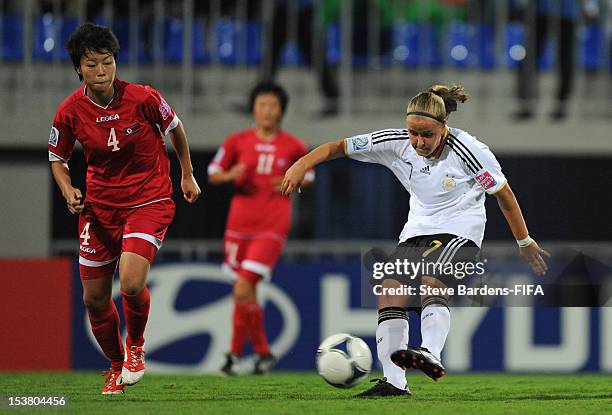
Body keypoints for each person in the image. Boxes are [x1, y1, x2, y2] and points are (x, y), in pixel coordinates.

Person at [281, 84, 550, 397]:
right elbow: (338, 146)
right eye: (414, 133)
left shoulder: (471, 150)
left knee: (430, 282)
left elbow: (503, 195)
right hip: (417, 231)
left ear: (443, 127)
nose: (419, 142)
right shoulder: (395, 142)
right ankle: (394, 382)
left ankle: (431, 352)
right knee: (390, 291)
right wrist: (301, 163)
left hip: (460, 231)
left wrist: (524, 241)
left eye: (427, 135)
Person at [48, 23, 201, 394]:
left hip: (149, 198)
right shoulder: (69, 111)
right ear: (78, 70)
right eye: (92, 65)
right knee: (94, 299)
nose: (102, 71)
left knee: (131, 282)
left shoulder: (143, 97)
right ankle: (116, 366)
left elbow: (175, 127)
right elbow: (57, 158)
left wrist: (187, 175)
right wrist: (68, 189)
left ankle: (136, 348)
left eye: (108, 62)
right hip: (100, 208)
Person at [208, 82, 313, 375]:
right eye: (262, 104)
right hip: (238, 225)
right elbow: (212, 173)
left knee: (243, 287)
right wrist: (231, 174)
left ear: (281, 111)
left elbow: (310, 176)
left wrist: (290, 180)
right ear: (254, 108)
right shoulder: (236, 141)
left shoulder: (292, 145)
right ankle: (262, 353)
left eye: (273, 105)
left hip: (272, 225)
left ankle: (233, 352)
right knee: (245, 293)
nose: (267, 110)